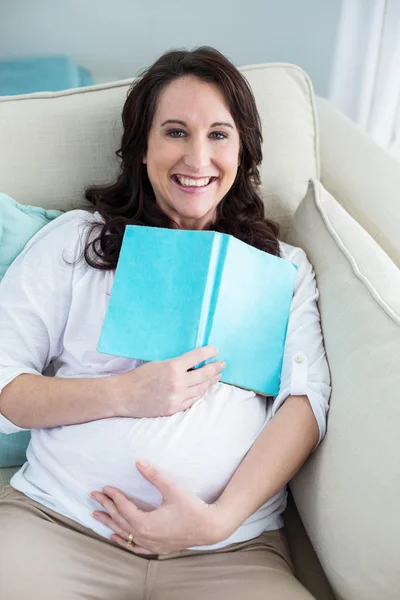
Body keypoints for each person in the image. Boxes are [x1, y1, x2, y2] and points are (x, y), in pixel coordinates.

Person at [0, 47, 331, 599]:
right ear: (141, 149)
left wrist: (218, 520)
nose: (197, 158)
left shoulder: (284, 267)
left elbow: (305, 402)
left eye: (219, 135)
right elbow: (5, 385)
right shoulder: (75, 242)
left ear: (244, 150)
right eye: (175, 132)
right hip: (59, 526)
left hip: (229, 552)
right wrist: (126, 393)